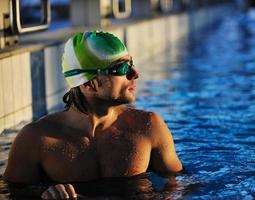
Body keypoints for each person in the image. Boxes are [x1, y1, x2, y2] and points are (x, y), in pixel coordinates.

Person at [3, 30, 183, 199]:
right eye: (121, 68)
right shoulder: (36, 139)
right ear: (88, 84)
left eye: (131, 64)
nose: (135, 74)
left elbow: (180, 183)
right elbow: (10, 193)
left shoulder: (149, 126)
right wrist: (42, 194)